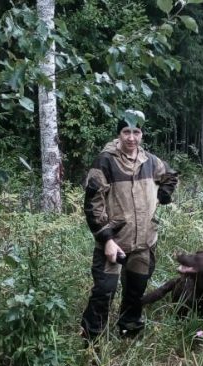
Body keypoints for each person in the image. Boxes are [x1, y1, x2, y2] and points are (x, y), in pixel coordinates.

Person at [81, 117, 179, 341]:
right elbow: (92, 204)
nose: (131, 138)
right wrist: (106, 239)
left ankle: (129, 332)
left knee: (136, 291)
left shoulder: (151, 161)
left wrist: (164, 194)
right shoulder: (105, 162)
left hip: (145, 242)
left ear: (142, 134)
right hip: (114, 242)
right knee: (104, 292)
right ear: (119, 134)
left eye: (136, 132)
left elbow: (170, 176)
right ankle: (91, 341)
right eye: (126, 132)